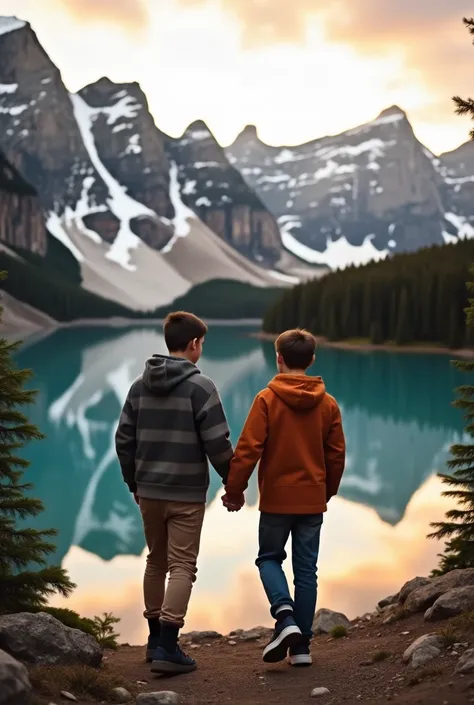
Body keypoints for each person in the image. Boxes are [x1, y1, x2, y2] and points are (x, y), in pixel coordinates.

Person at [115, 311, 233, 675]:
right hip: (186, 494)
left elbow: (124, 440)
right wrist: (234, 482)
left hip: (148, 492)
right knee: (183, 566)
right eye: (202, 343)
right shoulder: (202, 387)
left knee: (156, 560)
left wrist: (134, 483)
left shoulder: (138, 385)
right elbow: (218, 443)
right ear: (195, 344)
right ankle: (168, 645)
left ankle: (153, 641)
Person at [222, 328, 345, 667]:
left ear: (278, 358)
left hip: (276, 501)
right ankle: (301, 648)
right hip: (311, 501)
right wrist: (324, 492)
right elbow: (336, 456)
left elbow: (248, 450)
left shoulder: (267, 399)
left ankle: (284, 617)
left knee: (269, 558)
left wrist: (234, 490)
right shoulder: (328, 404)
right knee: (307, 571)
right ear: (312, 360)